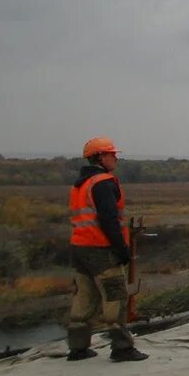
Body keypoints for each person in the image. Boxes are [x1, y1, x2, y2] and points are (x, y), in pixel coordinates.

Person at [67, 136, 147, 362]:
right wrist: (121, 248)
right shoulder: (103, 182)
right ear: (101, 156)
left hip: (80, 249)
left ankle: (78, 348)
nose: (116, 158)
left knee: (84, 298)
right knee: (115, 296)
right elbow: (109, 219)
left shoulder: (79, 184)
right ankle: (122, 348)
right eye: (112, 154)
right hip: (102, 250)